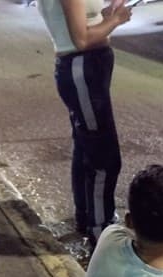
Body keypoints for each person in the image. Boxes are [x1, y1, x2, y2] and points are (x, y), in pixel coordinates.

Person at [36, 0, 131, 245]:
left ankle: (87, 217)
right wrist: (116, 20)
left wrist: (108, 15)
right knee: (104, 157)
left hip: (86, 69)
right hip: (83, 68)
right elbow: (81, 39)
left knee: (86, 148)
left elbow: (85, 22)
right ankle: (102, 230)